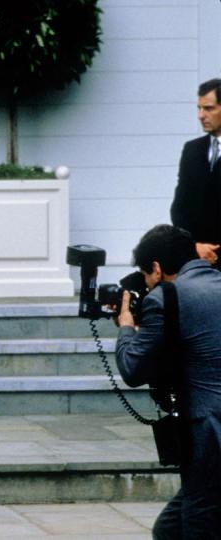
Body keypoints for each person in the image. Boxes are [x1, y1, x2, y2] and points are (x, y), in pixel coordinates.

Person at [113, 224, 221, 539]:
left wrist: (126, 326)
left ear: (157, 269)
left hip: (208, 436)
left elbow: (132, 369)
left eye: (147, 276)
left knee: (196, 526)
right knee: (169, 529)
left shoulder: (164, 298)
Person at [170, 78, 221, 268]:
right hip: (196, 258)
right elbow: (180, 207)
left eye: (209, 108)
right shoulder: (192, 150)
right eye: (199, 108)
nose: (201, 115)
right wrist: (194, 246)